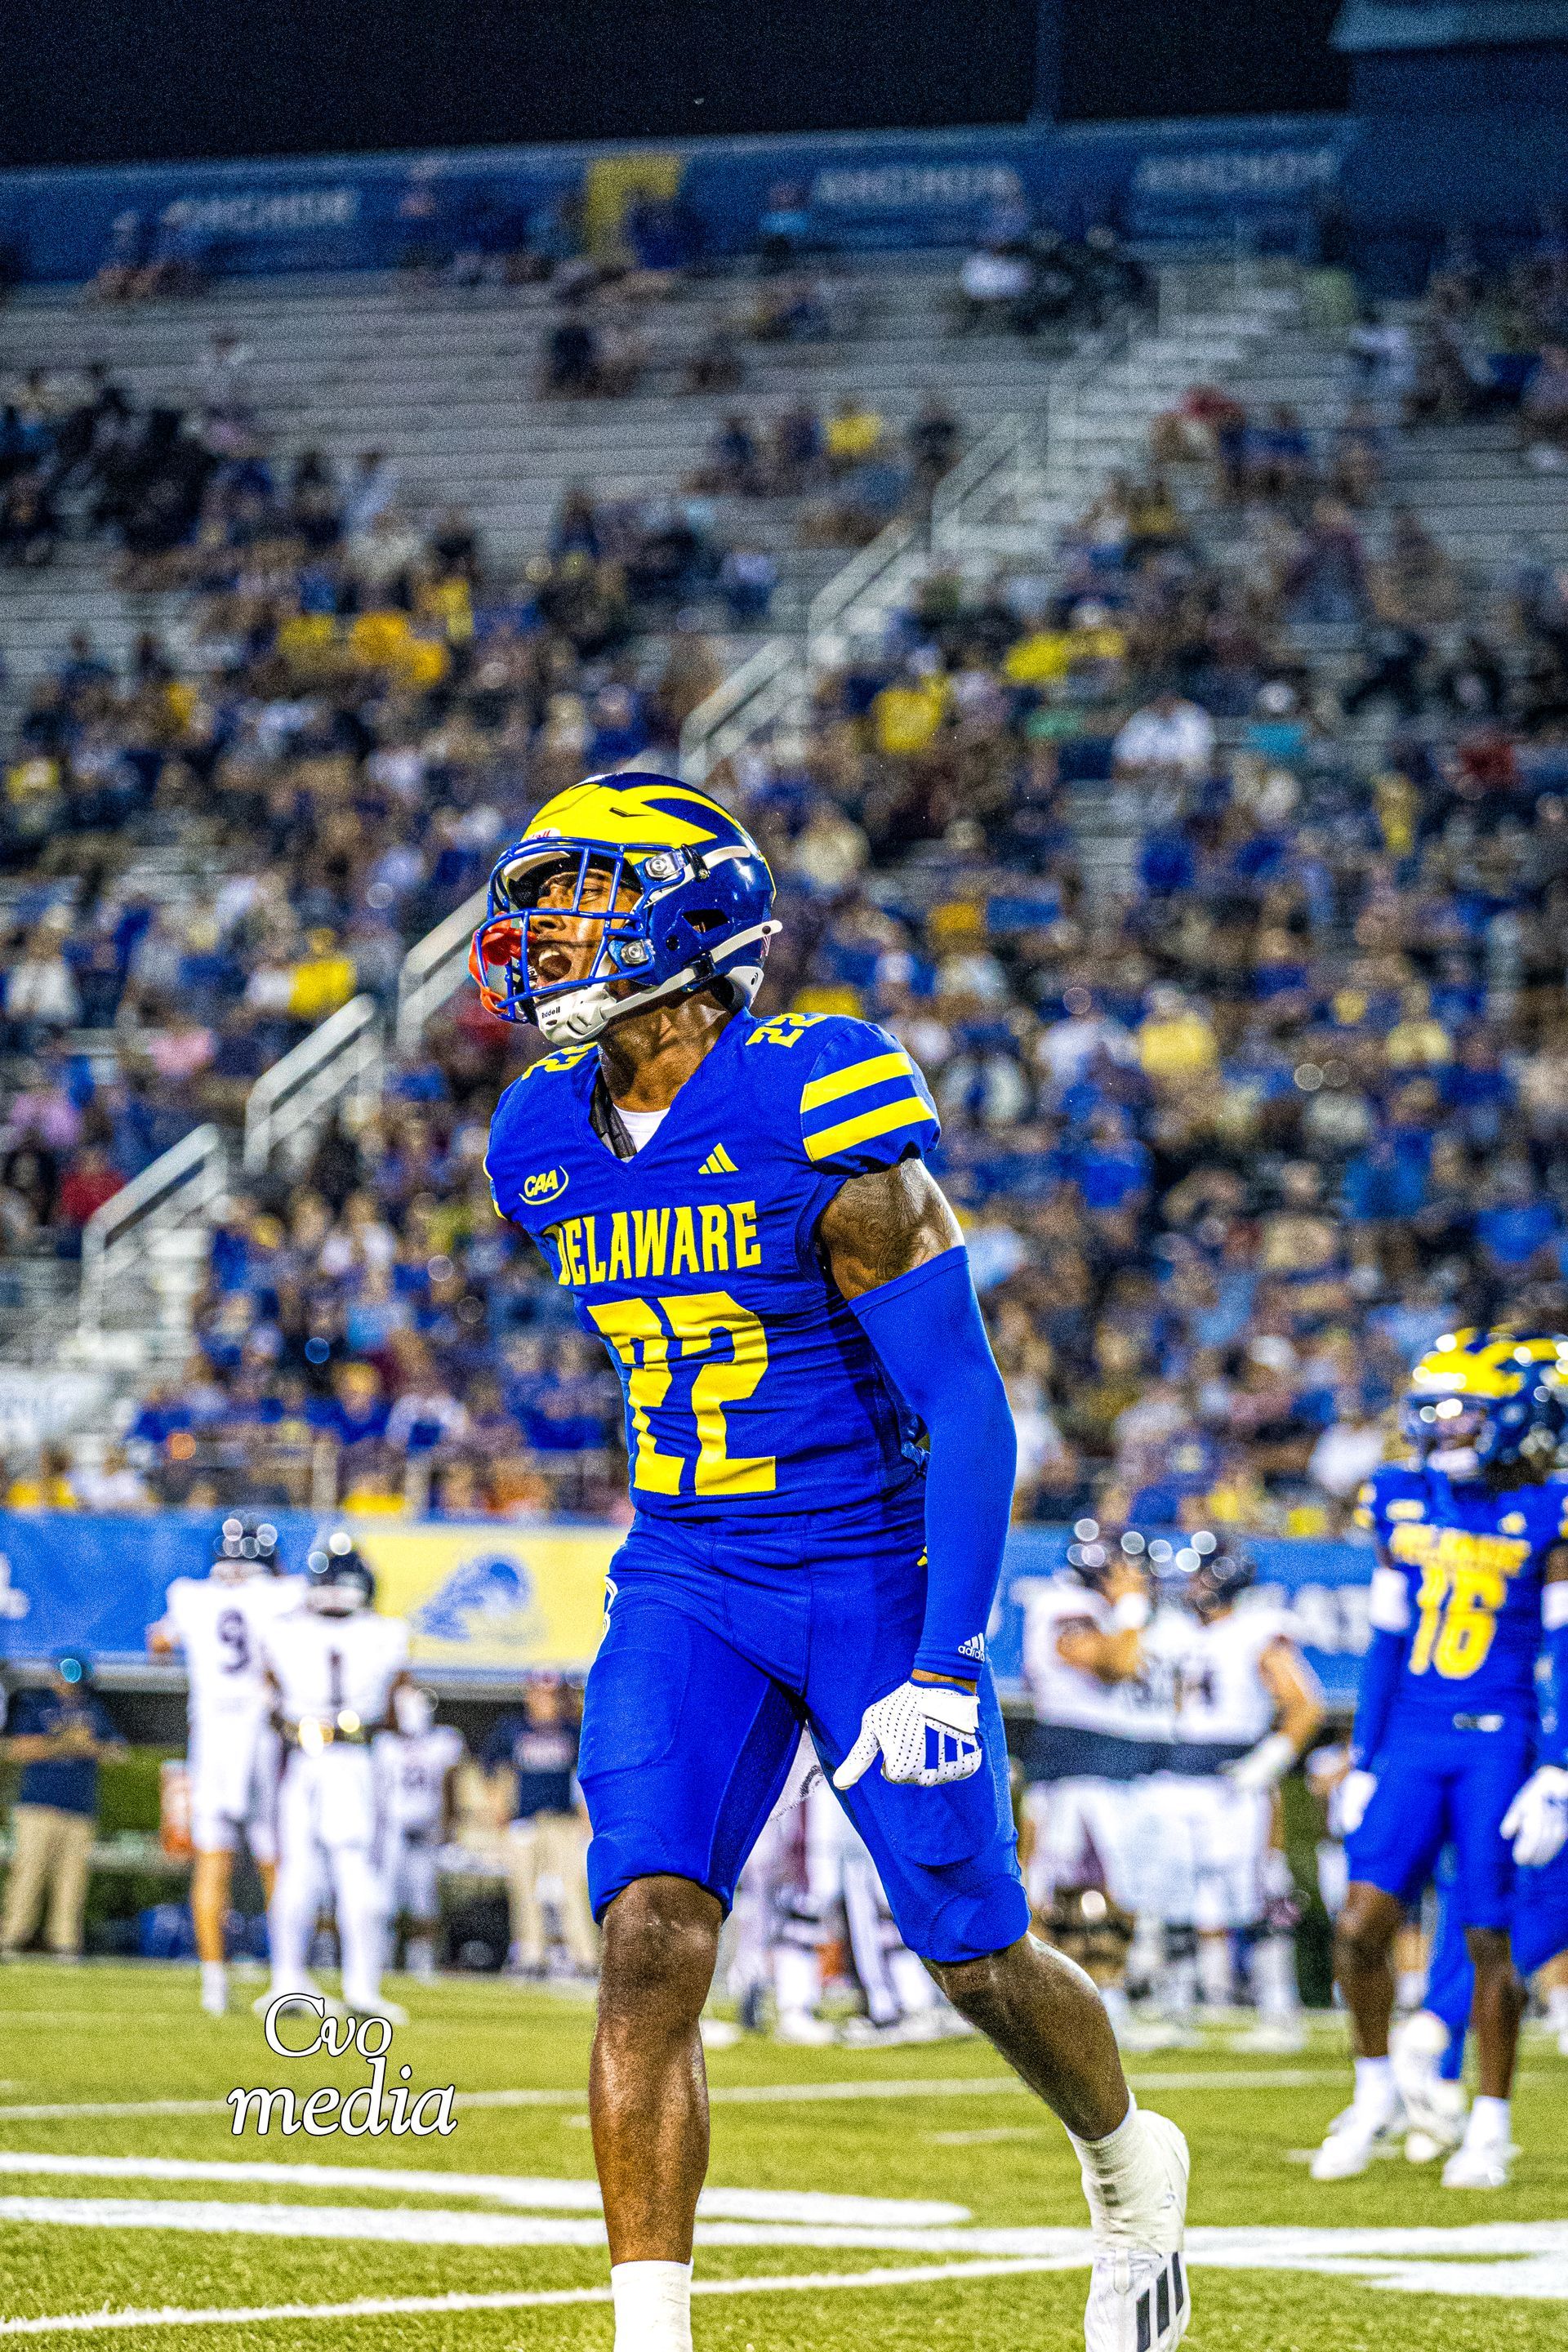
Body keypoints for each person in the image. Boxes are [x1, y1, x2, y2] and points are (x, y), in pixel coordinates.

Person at [471, 772, 1192, 2352]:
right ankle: (647, 2333)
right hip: (686, 1570)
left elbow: (969, 1411)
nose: (537, 931)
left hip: (867, 1566)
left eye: (582, 894)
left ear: (685, 915)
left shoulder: (823, 1103)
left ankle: (1131, 2165)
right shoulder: (538, 1134)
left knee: (976, 1957)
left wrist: (950, 1656)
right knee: (648, 1928)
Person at [1312, 1329, 1568, 2187]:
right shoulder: (1397, 1494)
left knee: (1487, 1935)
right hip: (1412, 1741)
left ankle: (1489, 2123)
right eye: (1436, 1414)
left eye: (1463, 1414)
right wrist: (1368, 1754)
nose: (1444, 1430)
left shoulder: (1548, 1508)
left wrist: (1558, 1767)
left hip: (1497, 1742)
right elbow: (1386, 1642)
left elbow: (1566, 1653)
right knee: (1359, 1930)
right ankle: (1376, 2089)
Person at [1150, 1535, 1325, 2050]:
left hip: (1232, 1775)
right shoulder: (1179, 1631)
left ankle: (1279, 2010)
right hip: (1178, 1773)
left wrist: (1268, 1761)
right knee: (1176, 1893)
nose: (1191, 1584)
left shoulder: (1256, 1630)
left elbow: (1305, 1705)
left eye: (1201, 1574)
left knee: (1260, 1892)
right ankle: (1176, 2006)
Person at [1019, 1523, 1173, 2045]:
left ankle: (1105, 2001)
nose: (1136, 1579)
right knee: (1054, 1887)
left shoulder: (1090, 1609)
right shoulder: (1064, 1604)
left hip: (1103, 1757)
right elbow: (1116, 1662)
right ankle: (1027, 1998)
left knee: (1109, 1888)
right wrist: (1131, 1608)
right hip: (1073, 1758)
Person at [147, 1512, 302, 2014]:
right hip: (257, 1732)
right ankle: (287, 1978)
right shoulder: (280, 1594)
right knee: (272, 1857)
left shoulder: (190, 1596)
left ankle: (214, 1984)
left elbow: (159, 1642)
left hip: (211, 1734)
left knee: (212, 1859)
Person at [260, 1530, 411, 2024]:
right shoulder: (386, 1633)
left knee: (298, 1874)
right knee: (354, 1875)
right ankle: (360, 1987)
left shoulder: (284, 1629)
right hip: (354, 1759)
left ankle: (287, 1983)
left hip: (304, 1757)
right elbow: (395, 1707)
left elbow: (270, 1691)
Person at [0, 1653, 123, 1962]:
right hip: (37, 1804)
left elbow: (118, 1751)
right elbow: (15, 1748)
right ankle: (13, 1938)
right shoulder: (36, 1705)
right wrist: (65, 1743)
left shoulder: (93, 1709)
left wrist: (89, 1745)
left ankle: (65, 1944)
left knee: (72, 1880)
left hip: (80, 1806)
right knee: (28, 1873)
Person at [485, 1676, 597, 1978]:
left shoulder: (571, 1730)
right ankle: (531, 1956)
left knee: (572, 1889)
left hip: (562, 1821)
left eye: (551, 1694)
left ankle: (585, 1957)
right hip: (525, 1820)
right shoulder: (512, 1729)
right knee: (523, 1890)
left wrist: (587, 1819)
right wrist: (500, 1809)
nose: (545, 1699)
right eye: (540, 1693)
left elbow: (582, 1778)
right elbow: (498, 1771)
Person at [374, 1682, 464, 1981]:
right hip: (391, 1832)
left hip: (425, 1832)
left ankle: (420, 1964)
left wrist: (448, 1824)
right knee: (384, 1901)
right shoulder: (385, 1745)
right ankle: (381, 1960)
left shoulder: (442, 1741)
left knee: (424, 1902)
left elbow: (451, 1785)